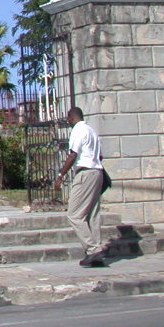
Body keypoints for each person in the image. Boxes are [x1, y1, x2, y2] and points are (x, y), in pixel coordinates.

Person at [53, 106, 106, 267]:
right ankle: (96, 253)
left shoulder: (78, 130)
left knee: (74, 214)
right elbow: (100, 156)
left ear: (71, 117)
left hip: (85, 173)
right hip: (97, 172)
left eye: (68, 119)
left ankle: (93, 249)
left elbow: (73, 154)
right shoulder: (92, 131)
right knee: (92, 214)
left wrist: (60, 175)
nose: (68, 122)